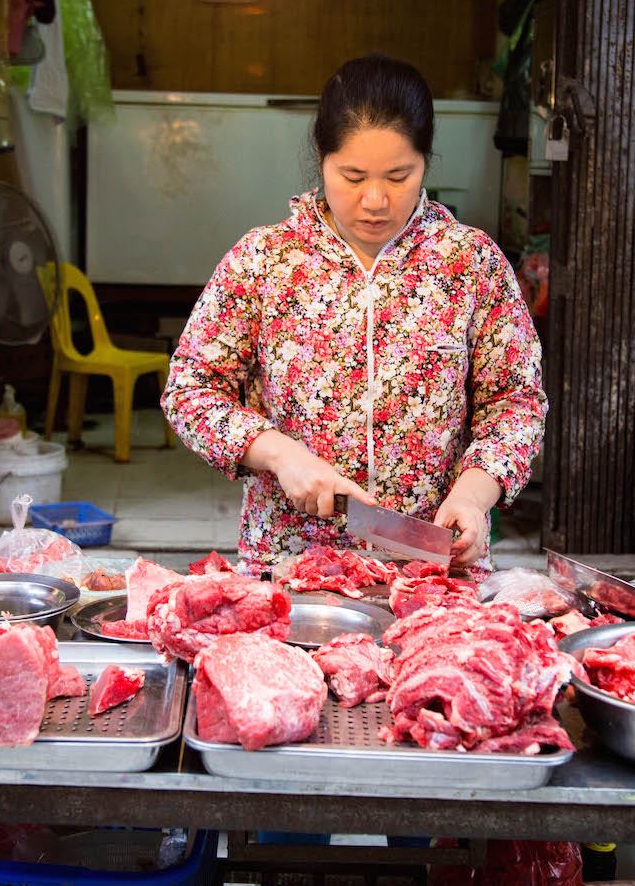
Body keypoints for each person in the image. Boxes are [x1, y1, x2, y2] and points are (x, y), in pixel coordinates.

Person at [162, 54, 547, 572]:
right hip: (291, 569)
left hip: (434, 569)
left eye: (397, 176)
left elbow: (515, 404)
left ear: (425, 163)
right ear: (321, 159)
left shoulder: (470, 263)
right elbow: (190, 390)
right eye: (352, 175)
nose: (374, 200)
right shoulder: (266, 259)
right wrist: (279, 454)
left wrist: (475, 497)